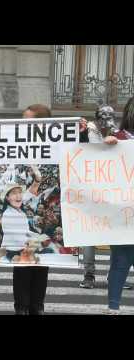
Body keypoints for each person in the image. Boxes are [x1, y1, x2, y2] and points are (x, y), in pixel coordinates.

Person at [79, 104, 133, 290]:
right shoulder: (86, 132)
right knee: (89, 236)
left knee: (116, 237)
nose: (105, 122)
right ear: (96, 117)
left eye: (108, 117)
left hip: (113, 195)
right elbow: (78, 153)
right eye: (102, 117)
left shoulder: (119, 134)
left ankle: (114, 276)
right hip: (90, 193)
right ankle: (89, 274)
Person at [10, 104, 51, 315]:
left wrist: (81, 131)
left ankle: (36, 306)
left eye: (28, 120)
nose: (22, 124)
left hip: (36, 220)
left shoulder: (54, 145)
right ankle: (21, 306)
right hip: (19, 218)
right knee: (22, 263)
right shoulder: (17, 143)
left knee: (40, 264)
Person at [103, 96, 134, 314]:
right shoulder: (118, 138)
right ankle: (113, 307)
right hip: (123, 214)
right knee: (120, 261)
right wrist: (106, 147)